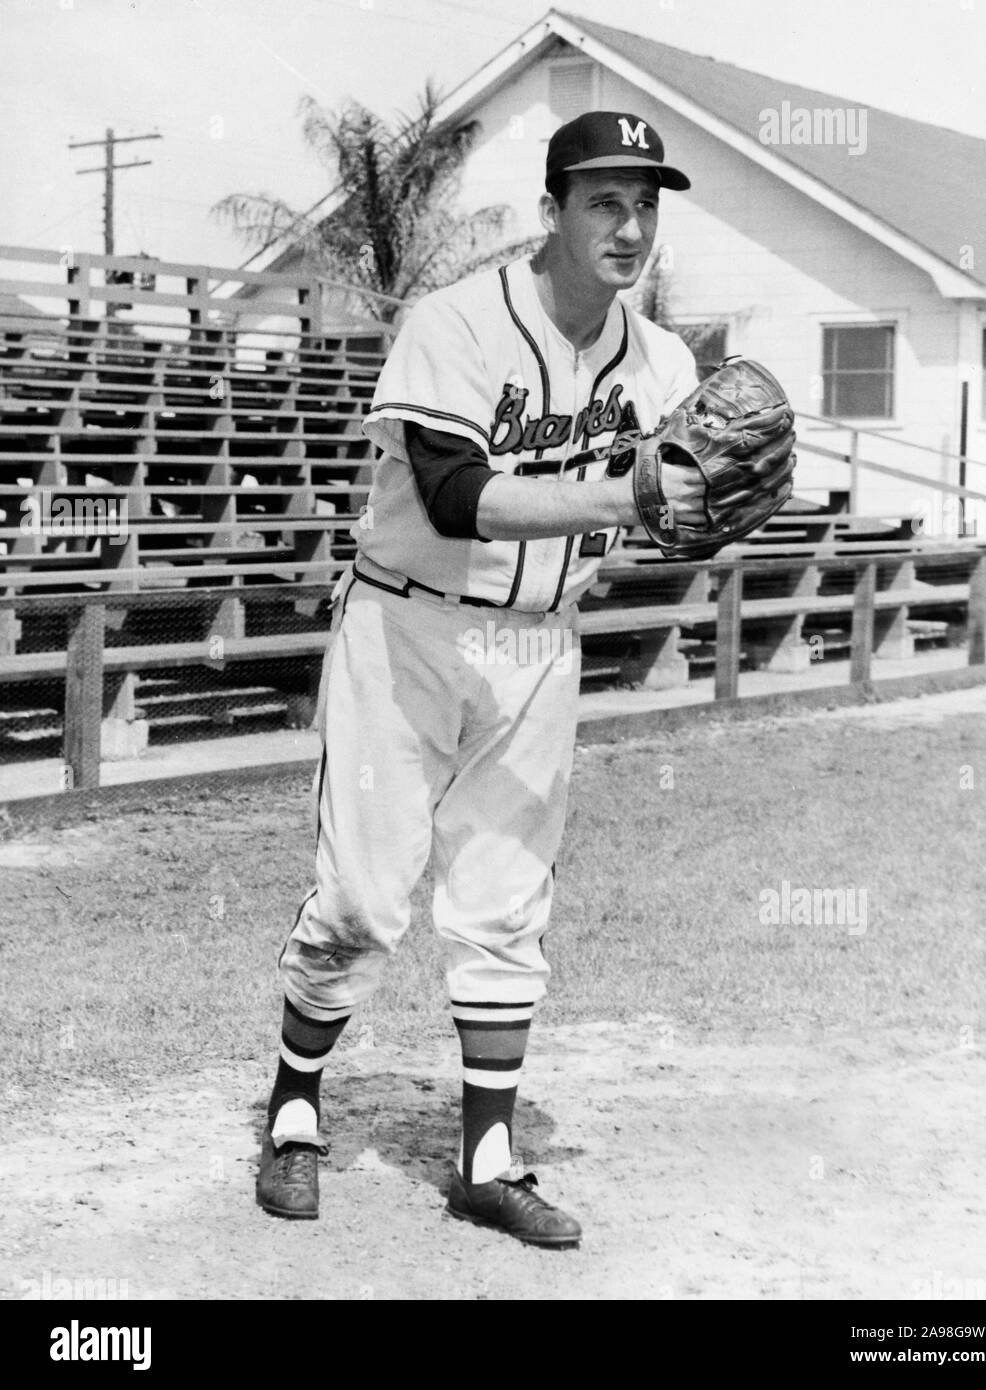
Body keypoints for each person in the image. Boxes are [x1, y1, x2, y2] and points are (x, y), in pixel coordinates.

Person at [256, 110, 699, 1248]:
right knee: (363, 897)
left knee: (505, 903)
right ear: (551, 213)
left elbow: (677, 525)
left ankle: (489, 1160)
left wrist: (715, 509)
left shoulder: (663, 364)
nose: (631, 225)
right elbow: (457, 496)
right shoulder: (453, 324)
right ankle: (296, 1113)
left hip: (540, 640)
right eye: (605, 200)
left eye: (646, 202)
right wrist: (634, 495)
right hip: (406, 632)